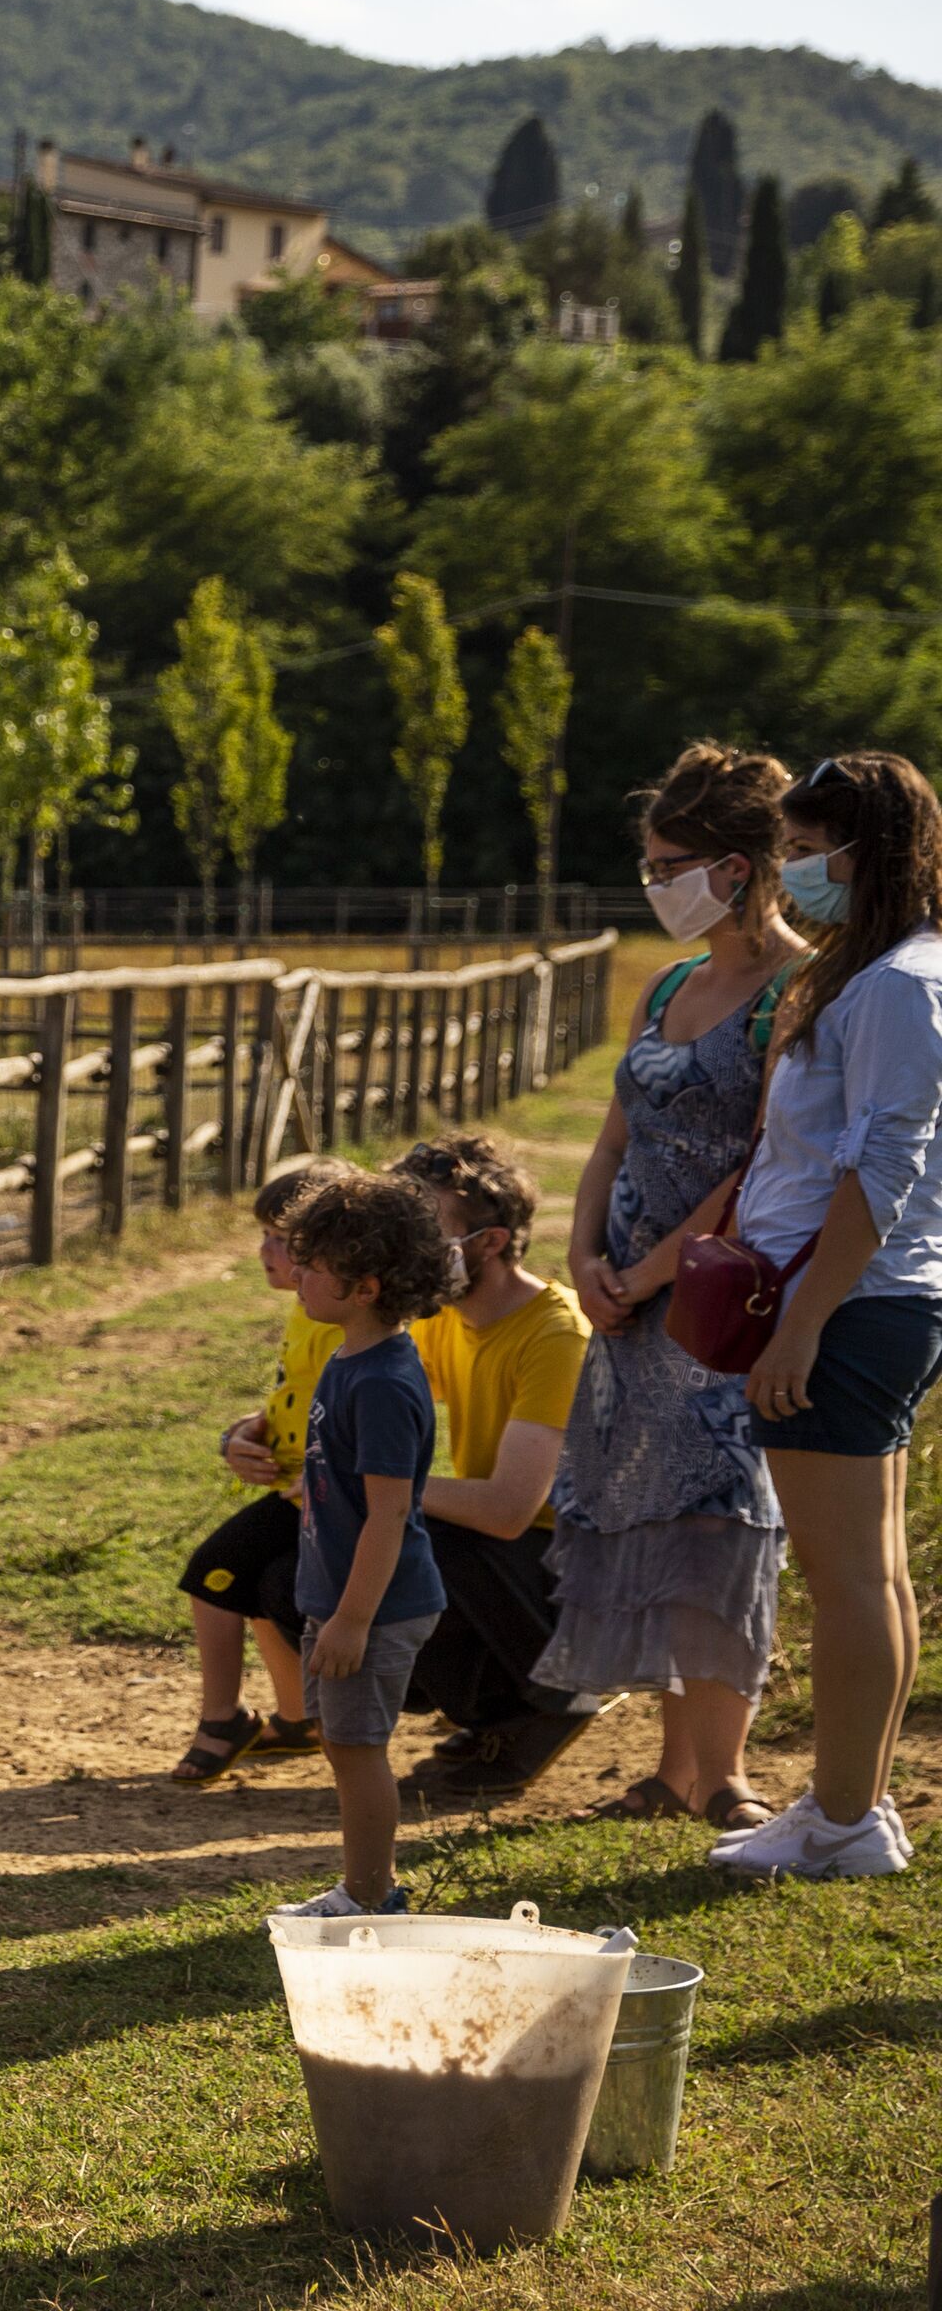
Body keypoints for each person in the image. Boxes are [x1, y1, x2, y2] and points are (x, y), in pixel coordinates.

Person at [548, 744, 801, 1831]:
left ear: (737, 867)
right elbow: (615, 1134)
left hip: (712, 1304)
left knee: (721, 1517)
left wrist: (653, 1271)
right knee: (650, 1508)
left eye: (670, 864)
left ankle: (725, 1772)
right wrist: (580, 1254)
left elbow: (764, 1158)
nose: (654, 883)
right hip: (625, 1305)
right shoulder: (667, 983)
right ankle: (671, 1768)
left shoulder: (796, 990)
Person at [710, 751, 942, 1882]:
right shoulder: (883, 971)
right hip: (867, 1300)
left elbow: (880, 1167)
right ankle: (857, 1801)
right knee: (874, 1571)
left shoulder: (899, 983)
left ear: (868, 852)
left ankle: (842, 1819)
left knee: (846, 1575)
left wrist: (801, 1321)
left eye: (808, 851)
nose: (793, 870)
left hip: (849, 1305)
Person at [270, 1170, 458, 1919]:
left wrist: (351, 1620)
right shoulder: (349, 1357)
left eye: (313, 1268)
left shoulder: (381, 1381)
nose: (298, 1278)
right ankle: (363, 1888)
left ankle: (371, 1896)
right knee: (343, 1742)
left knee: (358, 1749)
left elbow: (390, 1515)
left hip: (373, 1606)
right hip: (343, 1597)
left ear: (364, 1286)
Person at [391, 1134, 596, 1807]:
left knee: (422, 1544)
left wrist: (386, 1492)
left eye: (430, 1233)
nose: (412, 1252)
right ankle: (494, 1713)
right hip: (500, 1546)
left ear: (490, 1242)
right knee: (299, 1556)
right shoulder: (441, 1319)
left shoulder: (555, 1333)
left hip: (567, 1560)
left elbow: (510, 1508)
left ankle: (556, 1695)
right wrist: (257, 1434)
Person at [171, 1158, 354, 1783]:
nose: (265, 1252)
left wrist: (330, 1472)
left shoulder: (349, 1319)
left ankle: (226, 1718)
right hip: (297, 1489)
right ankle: (296, 1718)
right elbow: (297, 1394)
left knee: (216, 1572)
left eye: (283, 1239)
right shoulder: (308, 1307)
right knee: (247, 1579)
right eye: (266, 1235)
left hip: (331, 1496)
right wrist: (246, 1432)